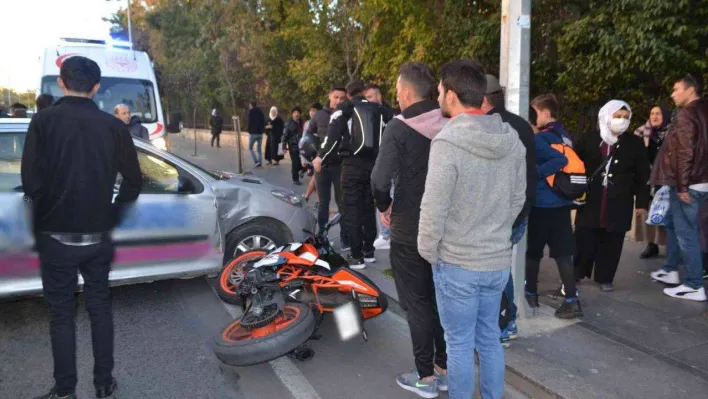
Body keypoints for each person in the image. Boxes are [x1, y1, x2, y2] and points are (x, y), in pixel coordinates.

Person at [21, 55, 142, 399]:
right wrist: (115, 213)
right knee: (100, 307)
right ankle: (104, 383)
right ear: (96, 86)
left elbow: (30, 182)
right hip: (98, 236)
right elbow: (134, 180)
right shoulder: (114, 126)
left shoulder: (43, 122)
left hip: (55, 236)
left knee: (61, 315)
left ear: (61, 82)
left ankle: (65, 390)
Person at [418, 60, 525, 399]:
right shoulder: (513, 141)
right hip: (495, 261)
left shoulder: (448, 142)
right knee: (489, 339)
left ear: (451, 94)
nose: (436, 96)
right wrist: (497, 234)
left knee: (459, 344)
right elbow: (518, 198)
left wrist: (428, 250)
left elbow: (434, 205)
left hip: (457, 263)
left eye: (439, 91)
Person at [372, 62, 449, 397]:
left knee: (415, 302)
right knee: (438, 300)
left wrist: (384, 207)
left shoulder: (398, 127)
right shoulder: (452, 122)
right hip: (444, 226)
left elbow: (379, 179)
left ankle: (425, 378)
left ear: (404, 92)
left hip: (408, 227)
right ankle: (444, 369)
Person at [480, 74, 537, 347]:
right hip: (519, 211)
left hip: (497, 215)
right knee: (501, 268)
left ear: (483, 98)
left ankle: (504, 322)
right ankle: (507, 321)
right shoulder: (521, 125)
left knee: (494, 271)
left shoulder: (491, 127)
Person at [574, 100, 650, 292]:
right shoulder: (589, 139)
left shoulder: (634, 143)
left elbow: (642, 174)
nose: (622, 121)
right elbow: (575, 166)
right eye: (617, 116)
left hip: (619, 199)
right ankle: (576, 273)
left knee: (613, 239)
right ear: (606, 116)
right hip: (592, 199)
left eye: (626, 117)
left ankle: (605, 277)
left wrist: (641, 201)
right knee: (585, 236)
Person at [314, 80, 389, 269]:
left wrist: (320, 157)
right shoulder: (378, 109)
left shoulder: (344, 109)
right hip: (374, 166)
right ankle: (369, 251)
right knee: (368, 208)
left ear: (348, 94)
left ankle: (356, 257)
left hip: (352, 167)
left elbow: (331, 138)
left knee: (352, 209)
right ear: (364, 92)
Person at [650, 74, 708, 301]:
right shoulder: (704, 111)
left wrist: (682, 186)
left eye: (676, 90)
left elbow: (685, 152)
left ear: (690, 90)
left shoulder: (687, 114)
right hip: (701, 181)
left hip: (688, 183)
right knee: (674, 224)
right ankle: (672, 269)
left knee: (687, 233)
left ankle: (694, 285)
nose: (673, 94)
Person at [526, 94, 583, 319]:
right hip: (562, 202)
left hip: (542, 203)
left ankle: (530, 294)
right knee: (563, 255)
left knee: (533, 253)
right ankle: (571, 300)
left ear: (546, 114)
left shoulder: (541, 138)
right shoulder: (564, 136)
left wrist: (536, 173)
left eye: (536, 112)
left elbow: (559, 162)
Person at [307, 87, 348, 249]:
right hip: (321, 167)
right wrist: (314, 157)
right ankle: (322, 238)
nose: (338, 101)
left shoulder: (347, 116)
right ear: (329, 95)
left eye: (342, 98)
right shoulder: (319, 116)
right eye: (336, 97)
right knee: (323, 203)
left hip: (340, 166)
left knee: (342, 203)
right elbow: (307, 137)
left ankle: (346, 238)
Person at [632, 105, 671, 258]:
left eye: (658, 113)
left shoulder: (674, 132)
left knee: (668, 211)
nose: (654, 116)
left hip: (668, 177)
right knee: (648, 211)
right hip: (648, 177)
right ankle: (651, 244)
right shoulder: (641, 132)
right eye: (652, 113)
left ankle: (671, 246)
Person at [365, 83, 394, 250]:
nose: (368, 101)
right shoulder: (369, 115)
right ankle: (385, 233)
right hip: (377, 162)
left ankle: (386, 234)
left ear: (379, 96)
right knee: (382, 196)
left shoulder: (389, 115)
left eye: (370, 97)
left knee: (387, 195)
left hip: (389, 163)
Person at [300, 102, 322, 202]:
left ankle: (307, 196)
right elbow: (303, 141)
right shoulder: (307, 124)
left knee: (316, 177)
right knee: (315, 177)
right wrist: (303, 158)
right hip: (310, 155)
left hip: (320, 153)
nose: (312, 113)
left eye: (315, 111)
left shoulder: (323, 122)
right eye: (311, 110)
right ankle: (316, 200)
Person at [283, 106, 304, 185]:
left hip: (301, 145)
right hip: (293, 146)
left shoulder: (302, 122)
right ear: (292, 114)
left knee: (301, 162)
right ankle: (295, 179)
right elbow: (285, 136)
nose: (296, 114)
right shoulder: (288, 123)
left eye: (298, 113)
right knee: (295, 162)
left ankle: (297, 171)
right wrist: (284, 147)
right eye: (295, 112)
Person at [247, 101, 266, 167]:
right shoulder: (261, 112)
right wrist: (262, 130)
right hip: (260, 133)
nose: (249, 106)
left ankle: (256, 161)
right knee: (259, 149)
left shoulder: (251, 112)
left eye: (249, 105)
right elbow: (264, 121)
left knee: (250, 148)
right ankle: (260, 163)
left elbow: (250, 121)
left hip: (253, 133)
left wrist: (249, 130)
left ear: (251, 105)